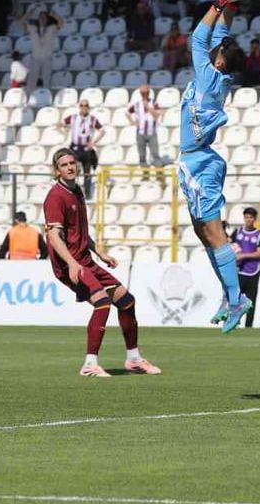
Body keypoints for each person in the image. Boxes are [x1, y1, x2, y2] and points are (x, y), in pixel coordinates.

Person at [178, 0, 251, 334]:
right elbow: (219, 34)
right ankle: (228, 292)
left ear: (220, 60)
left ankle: (238, 297)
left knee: (214, 229)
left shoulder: (208, 76)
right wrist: (231, 4)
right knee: (200, 229)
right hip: (193, 161)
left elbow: (197, 38)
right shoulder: (217, 75)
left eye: (218, 51)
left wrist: (218, 1)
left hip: (200, 162)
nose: (213, 50)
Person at [44, 148, 160, 377]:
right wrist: (73, 264)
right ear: (56, 171)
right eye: (64, 165)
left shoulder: (76, 191)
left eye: (72, 163)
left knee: (127, 301)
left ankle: (134, 359)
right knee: (102, 302)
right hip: (70, 265)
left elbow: (79, 233)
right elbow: (53, 236)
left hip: (85, 260)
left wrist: (100, 253)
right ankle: (90, 364)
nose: (70, 167)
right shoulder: (55, 197)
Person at [230, 207, 260, 329]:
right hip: (239, 271)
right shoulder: (238, 232)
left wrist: (243, 255)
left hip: (253, 271)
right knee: (235, 300)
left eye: (251, 217)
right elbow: (229, 244)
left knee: (250, 303)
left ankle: (248, 327)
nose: (248, 220)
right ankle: (233, 324)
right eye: (246, 217)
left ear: (255, 219)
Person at [62, 100, 103, 198]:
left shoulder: (92, 119)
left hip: (86, 148)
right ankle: (70, 190)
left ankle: (87, 194)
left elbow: (102, 130)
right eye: (82, 105)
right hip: (75, 147)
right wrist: (64, 133)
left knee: (87, 171)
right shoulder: (73, 118)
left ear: (89, 107)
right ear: (79, 106)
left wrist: (93, 142)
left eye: (86, 105)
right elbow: (61, 123)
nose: (84, 107)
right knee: (71, 169)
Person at [128, 83, 162, 170]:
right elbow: (127, 112)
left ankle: (159, 175)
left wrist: (148, 107)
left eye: (146, 92)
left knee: (155, 154)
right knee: (142, 155)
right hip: (140, 132)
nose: (144, 94)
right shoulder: (137, 104)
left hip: (152, 132)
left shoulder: (154, 102)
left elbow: (157, 115)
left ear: (149, 92)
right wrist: (132, 122)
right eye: (142, 93)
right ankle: (145, 175)